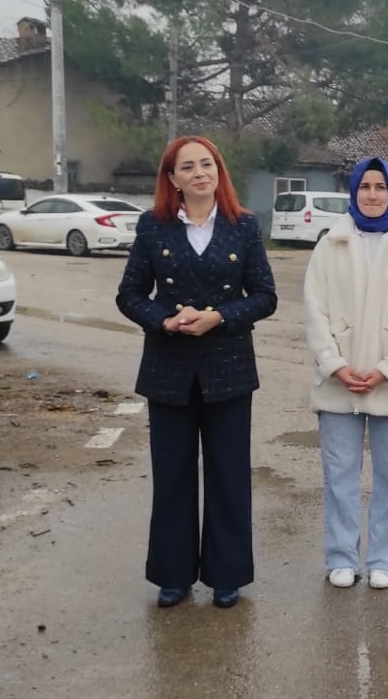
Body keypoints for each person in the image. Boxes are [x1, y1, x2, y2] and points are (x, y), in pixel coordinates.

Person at [116, 135, 277, 610]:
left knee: (229, 476)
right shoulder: (153, 227)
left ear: (218, 171)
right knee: (172, 475)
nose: (199, 173)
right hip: (168, 368)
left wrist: (220, 317)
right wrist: (162, 320)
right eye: (188, 167)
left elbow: (265, 295)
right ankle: (173, 573)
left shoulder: (244, 226)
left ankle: (227, 574)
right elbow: (129, 295)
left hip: (228, 368)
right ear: (173, 179)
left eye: (207, 164)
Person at [302, 156, 388, 590]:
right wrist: (334, 364)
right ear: (353, 191)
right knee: (339, 475)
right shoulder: (332, 243)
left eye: (381, 187)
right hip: (339, 381)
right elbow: (314, 309)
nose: (373, 195)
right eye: (365, 187)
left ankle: (385, 556)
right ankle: (341, 555)